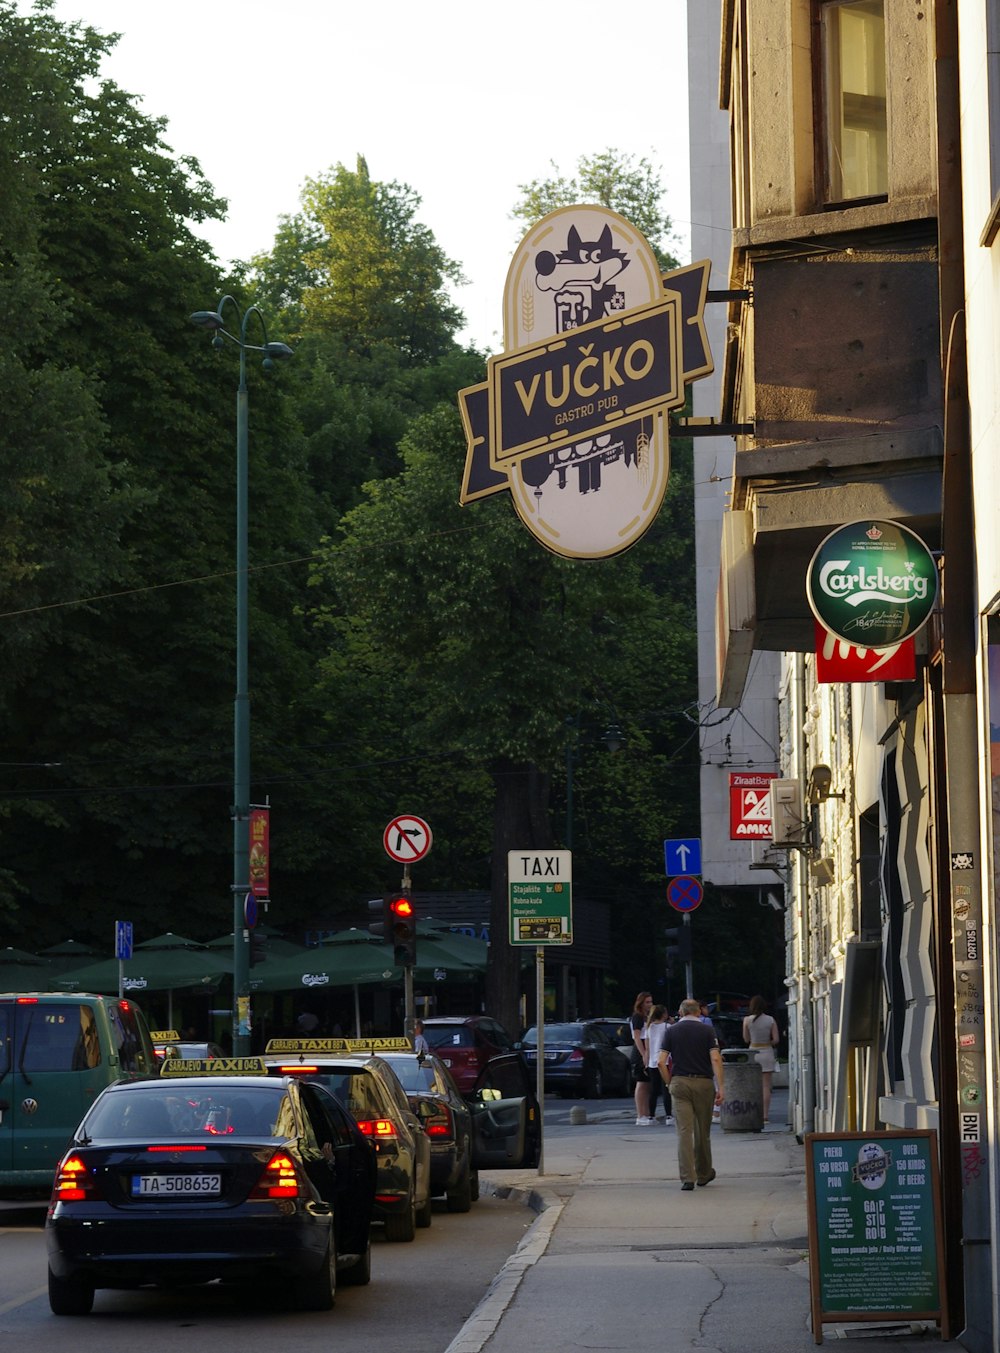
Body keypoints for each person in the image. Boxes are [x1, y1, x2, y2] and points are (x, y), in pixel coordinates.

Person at [659, 998, 724, 1190]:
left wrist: (668, 1082)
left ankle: (688, 1177)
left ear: (680, 1012)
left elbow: (661, 1061)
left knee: (684, 1132)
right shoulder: (707, 1030)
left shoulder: (671, 1031)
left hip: (679, 1082)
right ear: (698, 1013)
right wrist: (721, 1086)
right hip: (703, 1083)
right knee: (703, 1132)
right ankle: (704, 1174)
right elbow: (715, 1058)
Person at [743, 995, 780, 1122]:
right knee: (766, 1086)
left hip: (753, 1052)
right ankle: (765, 1116)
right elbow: (776, 1039)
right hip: (767, 1052)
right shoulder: (770, 1020)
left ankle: (754, 1113)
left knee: (753, 1085)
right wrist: (768, 1041)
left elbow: (746, 1039)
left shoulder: (747, 1020)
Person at [644, 1004, 673, 1125]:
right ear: (664, 1015)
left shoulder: (649, 1028)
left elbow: (647, 1047)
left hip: (652, 1062)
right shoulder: (667, 1027)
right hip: (665, 1060)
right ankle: (669, 1116)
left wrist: (646, 1062)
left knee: (654, 1090)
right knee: (666, 1088)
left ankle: (651, 1116)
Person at [630, 991, 654, 1125]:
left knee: (648, 1084)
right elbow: (637, 1037)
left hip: (649, 1048)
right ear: (641, 1003)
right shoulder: (637, 1017)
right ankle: (641, 1114)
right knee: (641, 1082)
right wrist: (644, 1054)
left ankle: (646, 1113)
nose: (650, 1005)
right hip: (641, 1050)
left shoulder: (648, 1017)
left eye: (651, 1002)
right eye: (647, 1002)